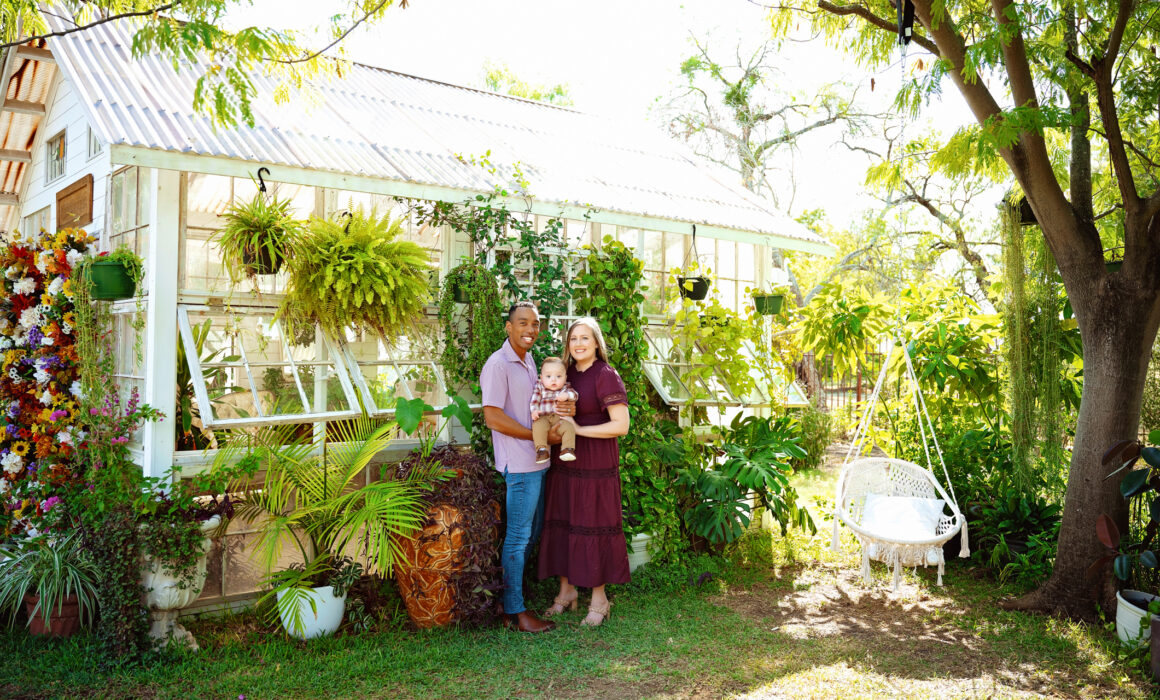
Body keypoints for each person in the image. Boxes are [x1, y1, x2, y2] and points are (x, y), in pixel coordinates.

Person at [480, 301, 573, 633]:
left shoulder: (531, 360)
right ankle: (516, 613)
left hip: (537, 462)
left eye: (535, 324)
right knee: (519, 538)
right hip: (519, 466)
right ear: (509, 327)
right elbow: (493, 417)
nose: (530, 329)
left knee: (530, 534)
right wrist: (540, 436)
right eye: (523, 323)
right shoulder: (498, 365)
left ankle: (512, 603)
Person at [537, 317, 631, 627]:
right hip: (566, 463)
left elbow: (622, 425)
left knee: (592, 524)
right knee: (565, 523)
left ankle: (600, 599)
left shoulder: (605, 375)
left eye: (584, 338)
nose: (578, 344)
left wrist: (579, 429)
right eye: (573, 338)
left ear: (596, 343)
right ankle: (566, 592)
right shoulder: (564, 376)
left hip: (596, 464)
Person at [530, 357, 578, 464]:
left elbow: (575, 395)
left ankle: (567, 449)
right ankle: (542, 450)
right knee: (537, 427)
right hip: (543, 417)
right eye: (548, 376)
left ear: (565, 378)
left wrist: (567, 395)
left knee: (569, 428)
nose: (553, 379)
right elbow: (535, 400)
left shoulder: (566, 387)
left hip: (559, 418)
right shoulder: (539, 386)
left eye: (559, 376)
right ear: (541, 378)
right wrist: (534, 411)